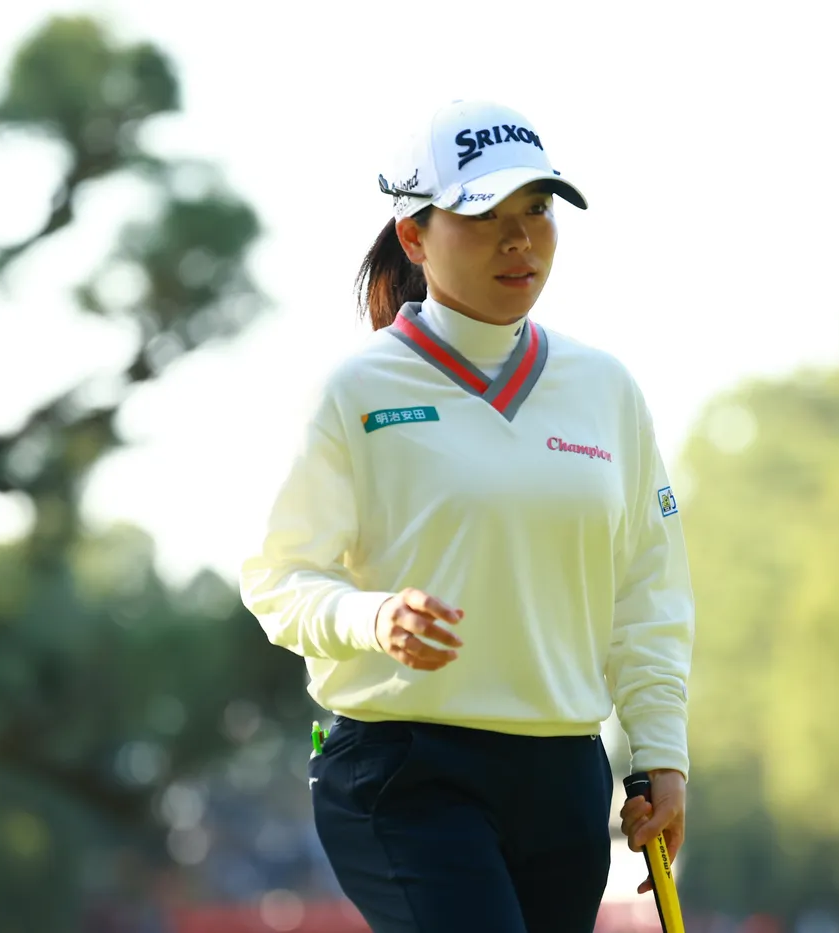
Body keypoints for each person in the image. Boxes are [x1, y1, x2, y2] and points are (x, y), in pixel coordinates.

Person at [238, 99, 696, 933]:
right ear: (413, 236)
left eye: (538, 209)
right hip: (404, 769)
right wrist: (374, 617)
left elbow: (647, 591)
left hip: (565, 774)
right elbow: (278, 579)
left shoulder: (606, 389)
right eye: (484, 214)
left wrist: (661, 753)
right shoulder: (354, 392)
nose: (519, 239)